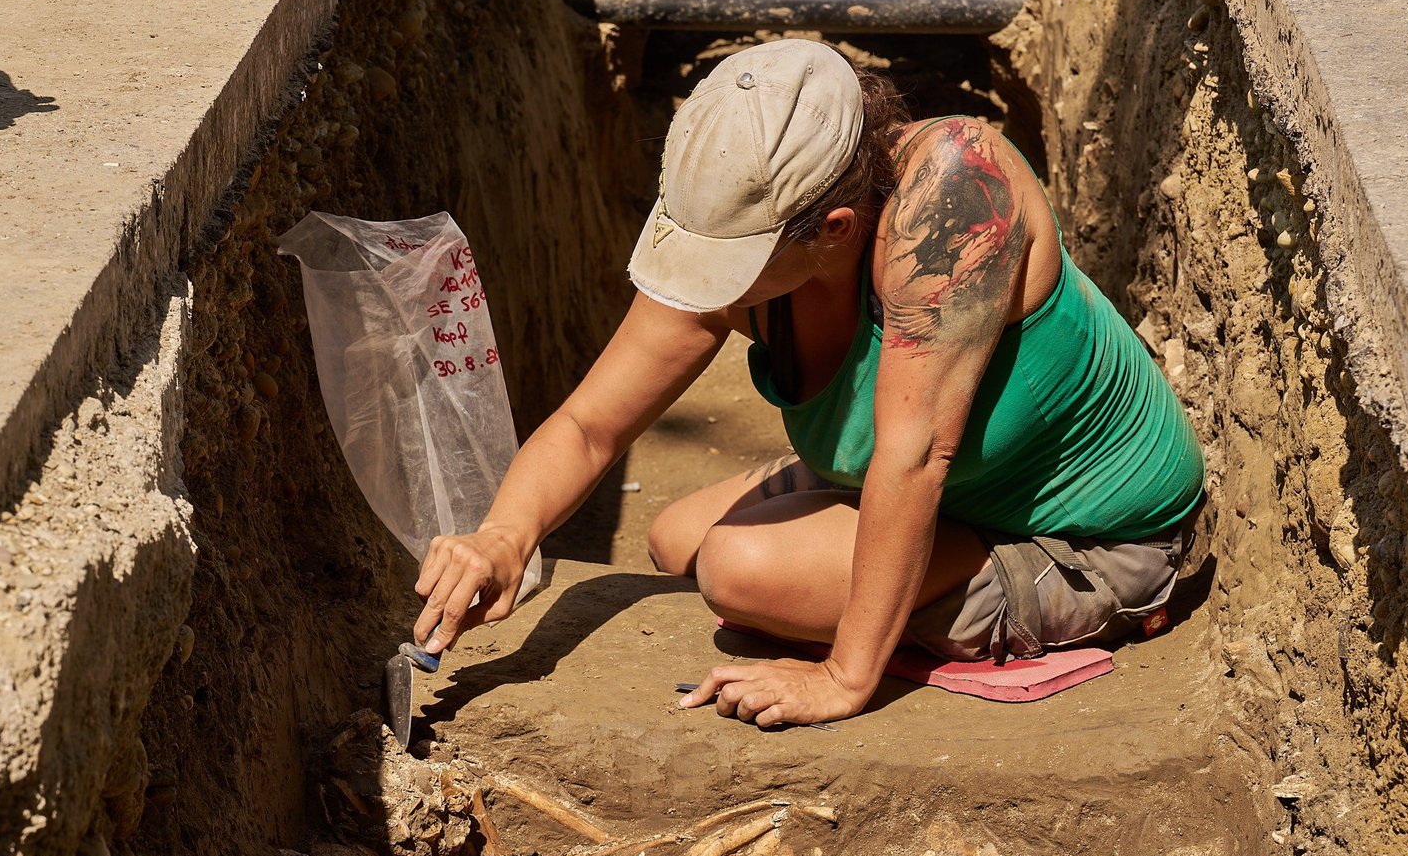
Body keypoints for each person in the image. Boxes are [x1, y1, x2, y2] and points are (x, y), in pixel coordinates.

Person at [413, 39, 1205, 729]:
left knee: (738, 570)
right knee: (675, 539)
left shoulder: (954, 196)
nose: (706, 284)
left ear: (833, 231)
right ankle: (840, 520)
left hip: (1084, 533)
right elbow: (592, 425)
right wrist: (504, 537)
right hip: (947, 479)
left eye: (728, 266)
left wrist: (843, 677)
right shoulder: (740, 202)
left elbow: (915, 458)